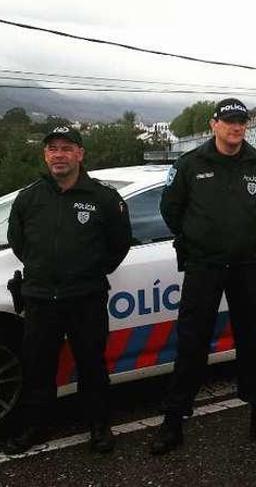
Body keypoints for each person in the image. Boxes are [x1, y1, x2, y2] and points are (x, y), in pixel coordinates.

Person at [150, 98, 256, 455]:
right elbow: (171, 210)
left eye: (241, 122)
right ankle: (173, 421)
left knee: (254, 342)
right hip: (203, 267)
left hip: (245, 266)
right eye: (228, 121)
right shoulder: (191, 164)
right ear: (214, 125)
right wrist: (200, 240)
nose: (235, 127)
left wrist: (243, 236)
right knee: (191, 343)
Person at [4, 126, 131, 454]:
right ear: (46, 155)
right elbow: (19, 243)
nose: (58, 155)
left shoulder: (103, 198)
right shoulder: (29, 197)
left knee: (92, 365)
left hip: (85, 298)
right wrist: (44, 272)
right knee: (37, 368)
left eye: (66, 148)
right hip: (40, 299)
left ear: (79, 154)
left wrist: (88, 272)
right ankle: (33, 427)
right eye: (52, 149)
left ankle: (99, 427)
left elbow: (119, 244)